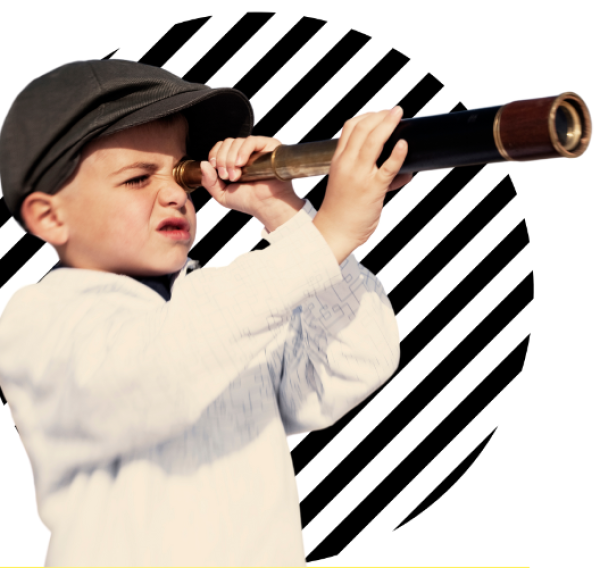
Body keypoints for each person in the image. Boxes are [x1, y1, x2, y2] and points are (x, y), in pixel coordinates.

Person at [0, 59, 410, 567]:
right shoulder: (35, 319)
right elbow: (159, 369)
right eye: (136, 179)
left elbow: (354, 366)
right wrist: (329, 234)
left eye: (181, 173)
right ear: (49, 216)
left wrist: (286, 213)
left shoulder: (227, 306)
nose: (175, 193)